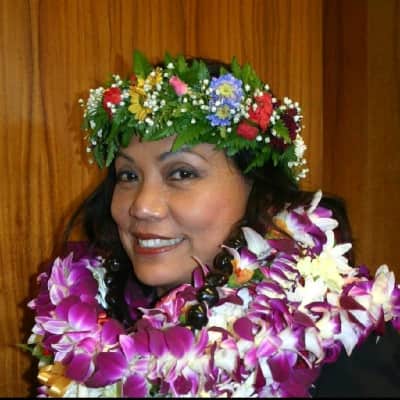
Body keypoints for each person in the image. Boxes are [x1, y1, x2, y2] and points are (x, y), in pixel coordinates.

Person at [25, 51, 400, 397]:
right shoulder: (84, 330)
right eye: (128, 175)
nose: (142, 206)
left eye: (182, 173)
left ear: (260, 192)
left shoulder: (337, 343)